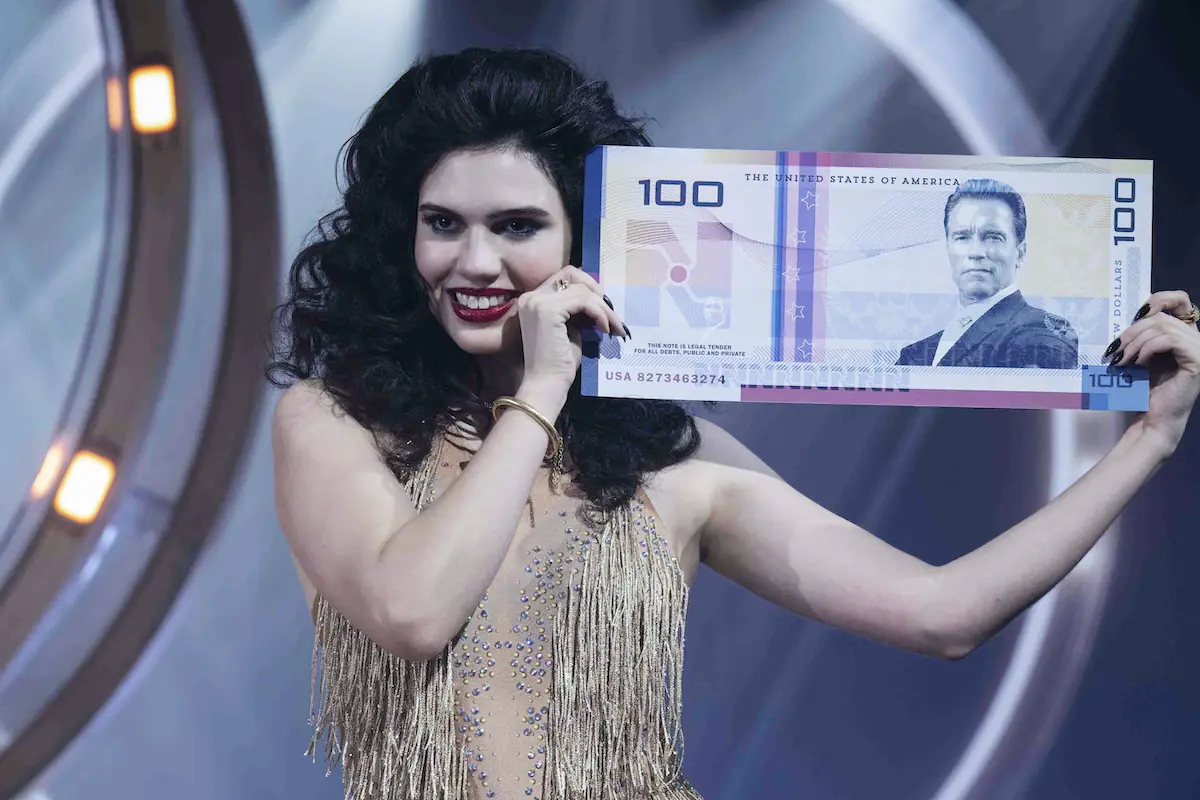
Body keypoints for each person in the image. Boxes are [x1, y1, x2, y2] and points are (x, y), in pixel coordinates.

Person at [267, 47, 1200, 800]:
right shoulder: (334, 424)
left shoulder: (671, 462)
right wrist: (542, 389)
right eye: (443, 223)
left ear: (586, 240)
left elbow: (942, 615)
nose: (475, 261)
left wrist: (1149, 442)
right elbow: (414, 612)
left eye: (517, 226)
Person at [896, 178, 1080, 369]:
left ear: (1020, 253)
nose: (975, 252)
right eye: (962, 237)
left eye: (993, 237)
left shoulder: (1044, 332)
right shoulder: (915, 354)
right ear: (948, 248)